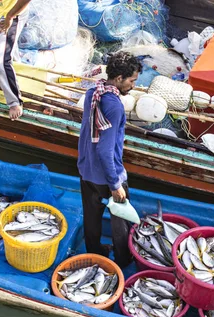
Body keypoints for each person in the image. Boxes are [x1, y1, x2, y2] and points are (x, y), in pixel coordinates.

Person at [77, 51, 141, 268]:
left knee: (92, 216)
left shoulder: (93, 92)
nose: (133, 86)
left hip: (87, 170)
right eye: (132, 81)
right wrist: (115, 184)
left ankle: (94, 252)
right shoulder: (114, 106)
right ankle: (123, 260)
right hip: (108, 175)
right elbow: (106, 150)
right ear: (119, 78)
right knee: (120, 221)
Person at [0, 0, 32, 121]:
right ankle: (19, 73)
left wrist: (10, 16)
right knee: (8, 49)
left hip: (9, 14)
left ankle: (14, 102)